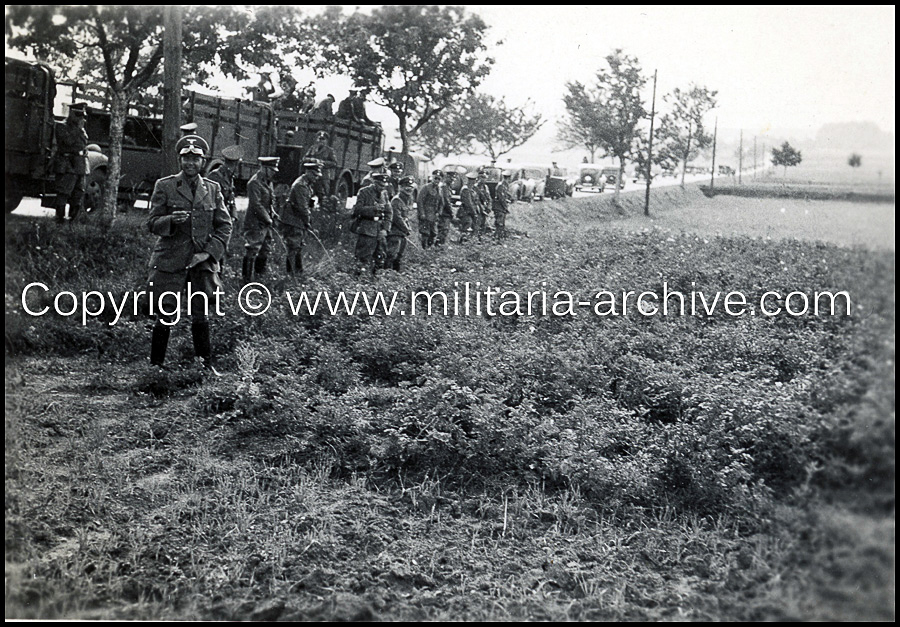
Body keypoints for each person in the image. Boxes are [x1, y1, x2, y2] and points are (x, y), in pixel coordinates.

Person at [146, 134, 232, 375]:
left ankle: (205, 367)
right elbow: (152, 223)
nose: (190, 163)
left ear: (203, 162)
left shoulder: (213, 189)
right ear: (180, 160)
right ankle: (156, 368)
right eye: (186, 159)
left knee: (201, 313)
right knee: (165, 312)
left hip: (201, 261)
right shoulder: (165, 185)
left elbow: (225, 225)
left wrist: (207, 254)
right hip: (171, 259)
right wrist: (171, 220)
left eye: (196, 159)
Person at [242, 156, 280, 283]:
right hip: (255, 223)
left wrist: (272, 213)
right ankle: (247, 280)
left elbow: (269, 201)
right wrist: (267, 218)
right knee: (252, 250)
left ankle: (259, 277)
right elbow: (256, 204)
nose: (274, 173)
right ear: (264, 168)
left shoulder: (267, 181)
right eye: (271, 170)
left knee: (265, 250)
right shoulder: (254, 183)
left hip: (265, 222)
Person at [281, 160, 321, 276]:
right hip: (293, 219)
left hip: (297, 218)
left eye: (317, 175)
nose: (316, 178)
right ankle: (291, 273)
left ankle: (298, 271)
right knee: (293, 246)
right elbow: (302, 208)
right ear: (307, 172)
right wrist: (308, 222)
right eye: (314, 174)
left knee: (298, 245)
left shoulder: (306, 184)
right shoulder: (300, 185)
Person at [53, 102, 89, 223]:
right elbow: (67, 141)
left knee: (78, 193)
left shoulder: (81, 129)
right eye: (78, 115)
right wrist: (78, 129)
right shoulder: (62, 126)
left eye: (82, 116)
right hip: (67, 163)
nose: (81, 118)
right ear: (71, 114)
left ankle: (73, 221)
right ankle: (60, 220)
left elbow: (83, 145)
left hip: (79, 163)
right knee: (63, 192)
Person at [351, 169, 391, 276]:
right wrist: (373, 209)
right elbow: (357, 210)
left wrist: (385, 229)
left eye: (384, 186)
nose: (382, 188)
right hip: (367, 229)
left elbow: (389, 212)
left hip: (380, 230)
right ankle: (357, 280)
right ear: (374, 183)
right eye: (380, 185)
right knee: (363, 258)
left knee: (380, 257)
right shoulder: (364, 192)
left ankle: (375, 281)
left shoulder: (384, 194)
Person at [205, 145, 242, 259]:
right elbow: (210, 200)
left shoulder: (229, 176)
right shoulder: (215, 176)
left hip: (225, 217)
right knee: (216, 248)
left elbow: (231, 196)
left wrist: (233, 215)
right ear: (234, 164)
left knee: (222, 248)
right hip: (216, 218)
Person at [386, 176, 414, 272]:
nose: (409, 188)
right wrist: (406, 229)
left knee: (398, 257)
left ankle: (394, 276)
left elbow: (405, 217)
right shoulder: (397, 200)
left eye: (410, 186)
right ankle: (385, 275)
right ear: (400, 187)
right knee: (391, 255)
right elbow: (397, 218)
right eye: (406, 186)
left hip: (401, 234)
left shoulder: (407, 199)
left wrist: (408, 228)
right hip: (394, 233)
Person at [304, 131, 338, 209]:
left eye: (323, 139)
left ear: (326, 141)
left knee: (324, 194)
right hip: (311, 173)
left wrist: (323, 162)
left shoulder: (329, 150)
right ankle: (310, 208)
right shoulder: (312, 148)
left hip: (324, 175)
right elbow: (304, 158)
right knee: (309, 191)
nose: (320, 141)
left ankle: (322, 208)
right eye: (319, 139)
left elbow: (334, 163)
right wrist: (312, 160)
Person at [416, 169, 444, 250]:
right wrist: (422, 213)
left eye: (439, 179)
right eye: (435, 178)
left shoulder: (440, 189)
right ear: (432, 178)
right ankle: (424, 248)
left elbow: (441, 203)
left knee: (433, 233)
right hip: (426, 214)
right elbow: (420, 201)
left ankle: (429, 247)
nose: (437, 180)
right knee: (425, 232)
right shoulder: (426, 188)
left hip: (434, 215)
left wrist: (439, 212)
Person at [457, 172, 479, 244]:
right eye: (473, 180)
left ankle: (468, 242)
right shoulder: (466, 189)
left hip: (470, 212)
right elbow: (468, 203)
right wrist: (474, 213)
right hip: (465, 212)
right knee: (467, 226)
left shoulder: (471, 189)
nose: (474, 182)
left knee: (471, 227)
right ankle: (463, 243)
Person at [493, 170, 513, 240]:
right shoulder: (500, 185)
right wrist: (505, 207)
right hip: (499, 207)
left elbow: (506, 196)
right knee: (499, 223)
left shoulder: (505, 185)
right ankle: (496, 238)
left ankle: (499, 237)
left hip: (502, 207)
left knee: (502, 223)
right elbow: (501, 198)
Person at [475, 169, 493, 235]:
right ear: (478, 177)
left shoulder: (486, 187)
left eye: (485, 178)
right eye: (482, 177)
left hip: (485, 209)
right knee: (476, 225)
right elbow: (476, 200)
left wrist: (489, 207)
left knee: (483, 225)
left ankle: (480, 238)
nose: (483, 179)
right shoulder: (475, 187)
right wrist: (482, 209)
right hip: (478, 209)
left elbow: (489, 198)